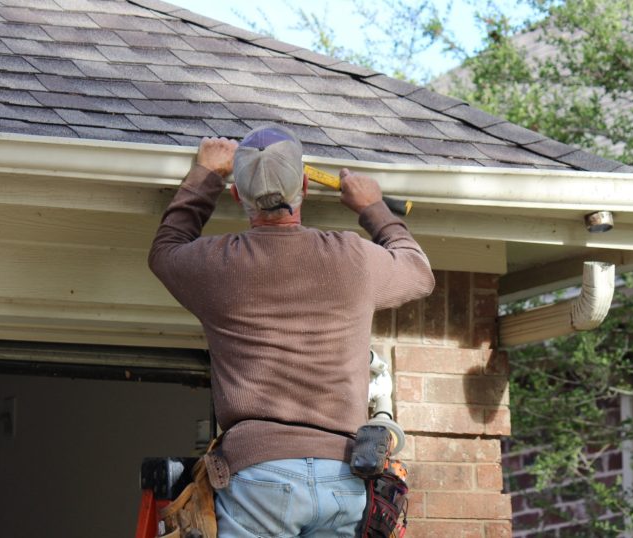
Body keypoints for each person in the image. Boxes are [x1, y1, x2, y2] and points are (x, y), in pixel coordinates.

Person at [148, 123, 435, 537]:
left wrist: (206, 174)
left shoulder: (216, 264)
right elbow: (418, 272)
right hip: (344, 477)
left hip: (258, 476)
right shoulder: (352, 257)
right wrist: (372, 206)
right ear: (304, 184)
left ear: (236, 194)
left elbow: (165, 249)